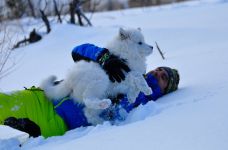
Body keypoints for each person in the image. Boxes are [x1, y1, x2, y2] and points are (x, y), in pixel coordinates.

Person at [0, 44, 179, 138]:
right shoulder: (124, 67)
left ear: (165, 90)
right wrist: (103, 57)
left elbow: (113, 119)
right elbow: (77, 51)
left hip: (56, 121)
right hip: (46, 98)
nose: (157, 73)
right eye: (159, 69)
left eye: (164, 77)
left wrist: (114, 102)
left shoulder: (143, 106)